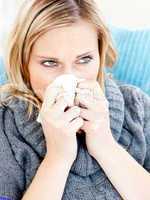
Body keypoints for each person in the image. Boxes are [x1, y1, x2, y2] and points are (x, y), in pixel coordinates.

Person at [0, 0, 150, 200]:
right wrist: (57, 157)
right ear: (23, 63)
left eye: (84, 59)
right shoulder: (5, 124)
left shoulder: (137, 105)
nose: (69, 77)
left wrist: (105, 145)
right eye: (49, 62)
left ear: (100, 54)